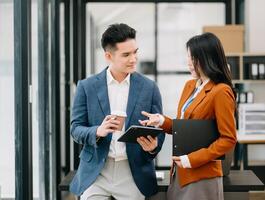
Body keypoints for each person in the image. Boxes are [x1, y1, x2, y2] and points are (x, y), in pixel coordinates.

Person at [69, 23, 165, 200]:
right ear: (108, 56)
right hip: (96, 173)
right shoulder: (86, 87)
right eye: (126, 55)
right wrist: (97, 131)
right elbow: (75, 129)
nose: (133, 59)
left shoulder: (149, 88)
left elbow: (159, 131)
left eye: (135, 52)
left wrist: (153, 148)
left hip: (133, 171)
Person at [139, 32, 237, 200]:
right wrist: (162, 121)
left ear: (207, 59)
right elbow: (186, 127)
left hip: (201, 174)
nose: (188, 63)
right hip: (179, 170)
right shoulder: (190, 85)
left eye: (193, 58)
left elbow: (228, 139)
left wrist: (191, 160)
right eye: (188, 57)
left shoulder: (221, 91)